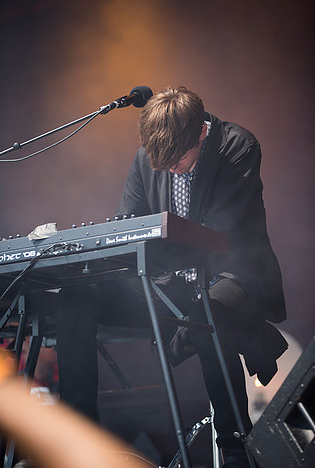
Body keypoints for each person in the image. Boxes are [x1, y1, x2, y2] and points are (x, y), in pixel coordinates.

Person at [56, 87, 288, 468]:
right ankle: (75, 446)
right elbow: (129, 226)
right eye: (160, 162)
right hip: (170, 278)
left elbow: (220, 231)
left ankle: (236, 449)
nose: (171, 168)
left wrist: (155, 248)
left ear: (200, 132)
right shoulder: (147, 160)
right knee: (76, 297)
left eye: (178, 158)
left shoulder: (238, 145)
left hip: (232, 272)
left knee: (208, 312)